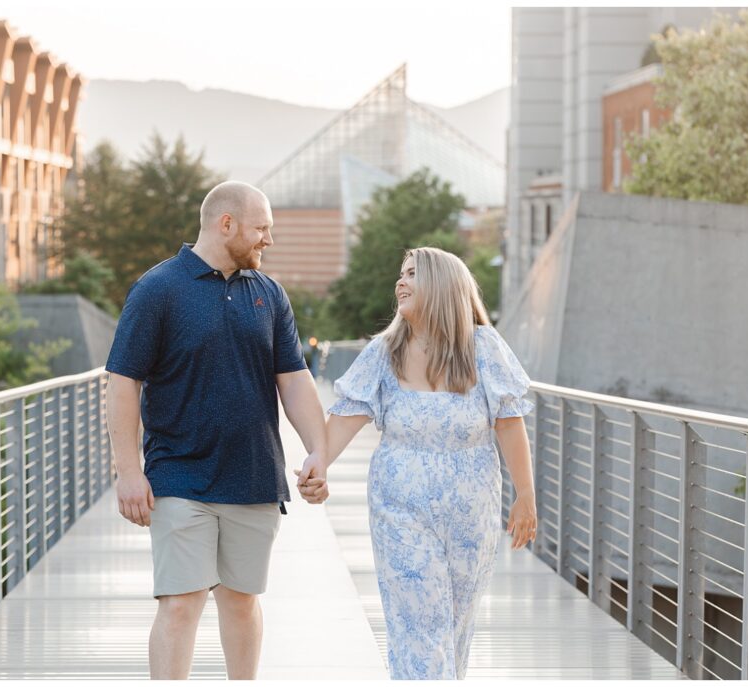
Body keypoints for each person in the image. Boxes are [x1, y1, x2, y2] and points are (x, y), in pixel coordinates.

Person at [105, 180, 328, 680]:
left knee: (241, 602)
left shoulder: (269, 294)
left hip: (253, 475)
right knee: (181, 604)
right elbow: (123, 383)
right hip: (178, 474)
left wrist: (320, 451)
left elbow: (293, 380)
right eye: (261, 229)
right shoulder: (157, 290)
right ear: (226, 224)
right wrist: (128, 471)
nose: (268, 240)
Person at [295, 246, 538, 680]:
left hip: (472, 515)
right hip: (400, 510)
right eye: (400, 274)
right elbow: (341, 423)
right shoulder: (382, 352)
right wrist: (317, 466)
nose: (400, 282)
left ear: (442, 286)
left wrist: (526, 495)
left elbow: (508, 422)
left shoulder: (483, 348)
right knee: (419, 629)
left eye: (412, 274)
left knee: (454, 631)